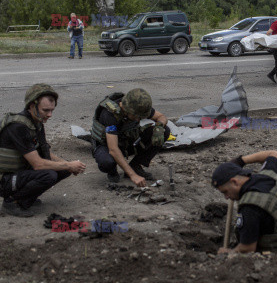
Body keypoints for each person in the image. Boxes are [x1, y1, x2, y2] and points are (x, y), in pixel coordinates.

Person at [0, 84, 86, 217]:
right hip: (4, 179)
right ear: (32, 106)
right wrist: (69, 164)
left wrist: (68, 166)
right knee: (48, 175)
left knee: (63, 169)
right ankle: (11, 202)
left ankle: (27, 199)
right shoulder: (18, 127)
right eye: (46, 110)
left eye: (52, 110)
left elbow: (45, 153)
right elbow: (38, 164)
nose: (50, 115)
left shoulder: (36, 123)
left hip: (18, 174)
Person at [212, 150, 277, 254]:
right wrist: (241, 161)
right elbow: (273, 154)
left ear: (234, 182)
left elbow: (247, 249)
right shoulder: (269, 174)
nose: (226, 197)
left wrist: (227, 253)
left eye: (225, 192)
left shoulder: (250, 208)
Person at [91, 88, 170, 187]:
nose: (139, 119)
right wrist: (133, 176)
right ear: (127, 110)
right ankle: (112, 170)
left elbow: (161, 117)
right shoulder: (110, 115)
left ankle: (135, 165)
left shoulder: (137, 107)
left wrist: (159, 126)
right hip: (106, 146)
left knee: (165, 131)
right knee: (106, 162)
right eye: (137, 117)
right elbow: (113, 149)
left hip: (126, 141)